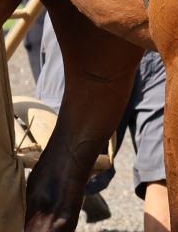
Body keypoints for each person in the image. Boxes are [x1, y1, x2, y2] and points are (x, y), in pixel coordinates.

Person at [35, 15, 169, 231]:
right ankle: (83, 185)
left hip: (91, 17)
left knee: (59, 165)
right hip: (159, 20)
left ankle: (82, 185)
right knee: (164, 174)